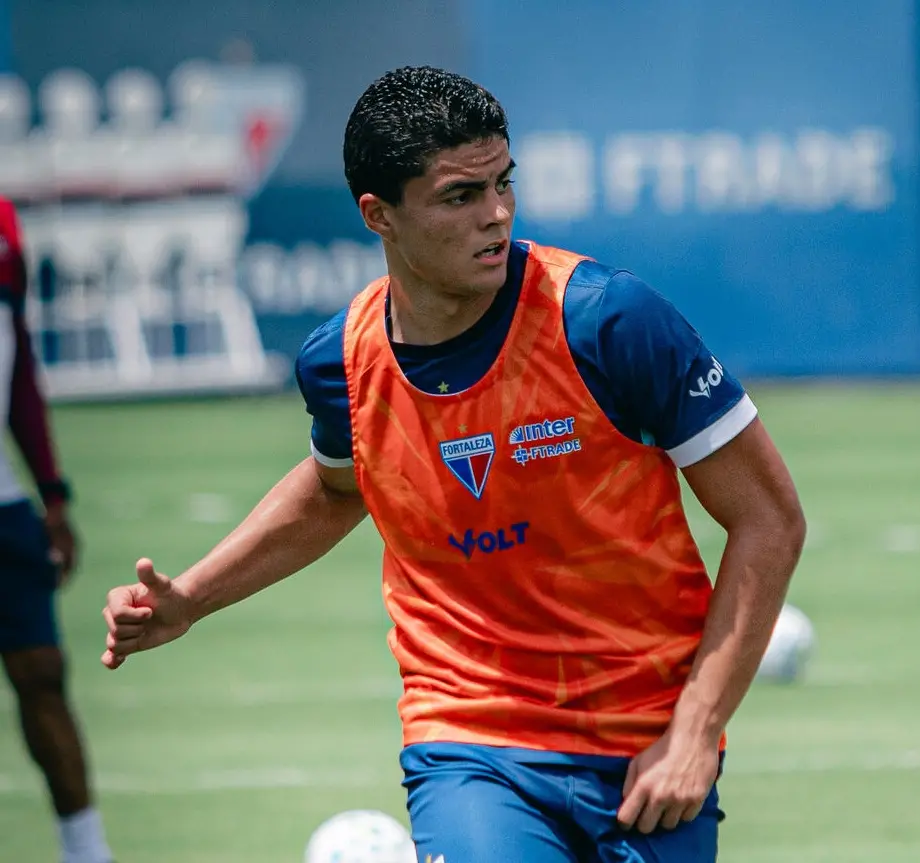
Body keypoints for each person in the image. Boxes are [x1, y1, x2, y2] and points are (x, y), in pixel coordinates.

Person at [100, 66, 807, 861]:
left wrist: (696, 730)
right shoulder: (339, 361)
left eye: (503, 183)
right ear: (379, 215)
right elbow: (337, 491)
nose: (497, 213)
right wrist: (191, 597)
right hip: (472, 736)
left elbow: (767, 516)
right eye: (459, 196)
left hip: (646, 735)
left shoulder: (608, 322)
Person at [0, 196, 114, 863]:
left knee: (44, 673)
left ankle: (87, 851)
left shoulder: (6, 224)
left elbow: (16, 368)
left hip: (6, 506)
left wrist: (52, 493)